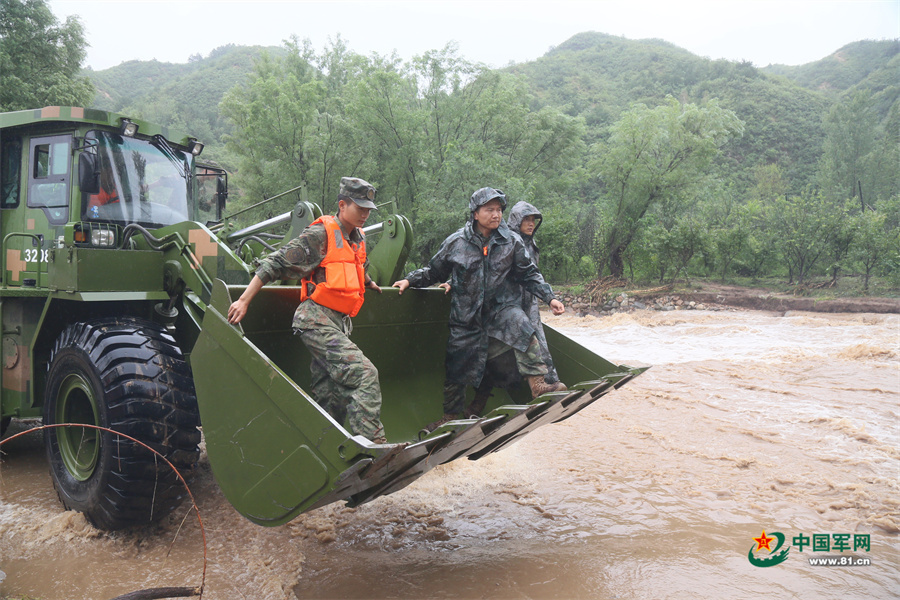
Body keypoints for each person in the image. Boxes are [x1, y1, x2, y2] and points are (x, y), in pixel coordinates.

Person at [227, 177, 389, 444]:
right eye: (360, 207)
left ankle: (323, 451)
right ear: (342, 205)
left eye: (369, 209)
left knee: (331, 396)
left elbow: (357, 266)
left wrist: (370, 283)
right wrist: (244, 300)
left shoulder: (357, 237)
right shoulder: (320, 234)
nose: (365, 214)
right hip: (315, 320)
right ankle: (373, 447)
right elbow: (275, 263)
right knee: (364, 375)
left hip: (338, 323)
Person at [392, 187, 567, 430]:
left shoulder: (511, 242)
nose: (496, 215)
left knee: (521, 324)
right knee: (456, 368)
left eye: (499, 210)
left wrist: (550, 298)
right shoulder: (456, 242)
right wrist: (410, 280)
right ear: (475, 213)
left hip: (499, 310)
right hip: (466, 316)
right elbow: (435, 271)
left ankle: (538, 383)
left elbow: (529, 274)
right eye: (490, 210)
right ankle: (451, 417)